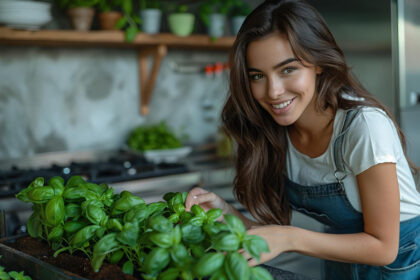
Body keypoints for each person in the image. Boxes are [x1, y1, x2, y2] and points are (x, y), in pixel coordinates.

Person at [185, 0, 420, 279]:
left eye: (287, 70)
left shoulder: (364, 127)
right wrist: (225, 213)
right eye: (258, 76)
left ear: (318, 64)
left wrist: (291, 237)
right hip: (341, 265)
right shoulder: (276, 133)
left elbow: (384, 248)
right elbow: (274, 237)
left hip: (403, 266)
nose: (273, 92)